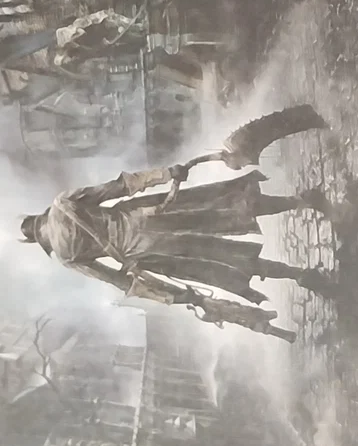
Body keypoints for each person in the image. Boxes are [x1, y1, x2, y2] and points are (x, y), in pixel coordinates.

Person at [20, 105, 334, 336]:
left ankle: (299, 275)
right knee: (226, 209)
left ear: (39, 240)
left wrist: (172, 296)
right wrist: (167, 173)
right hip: (150, 213)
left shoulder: (66, 257)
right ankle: (304, 201)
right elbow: (119, 187)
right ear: (38, 218)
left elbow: (118, 280)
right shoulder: (62, 205)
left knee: (222, 260)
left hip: (147, 253)